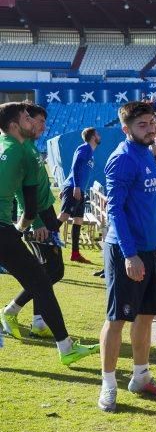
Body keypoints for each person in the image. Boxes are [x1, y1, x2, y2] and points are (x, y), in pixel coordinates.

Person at [0, 102, 99, 364]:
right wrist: (25, 227)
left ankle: (39, 325)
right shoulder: (25, 153)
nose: (35, 124)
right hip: (21, 225)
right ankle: (61, 344)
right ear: (15, 125)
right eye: (28, 118)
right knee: (45, 278)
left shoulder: (9, 145)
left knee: (46, 275)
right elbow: (29, 204)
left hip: (21, 224)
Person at [98, 102, 156, 413]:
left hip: (147, 247)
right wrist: (130, 255)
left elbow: (149, 198)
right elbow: (114, 209)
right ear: (126, 129)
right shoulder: (121, 159)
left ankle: (140, 377)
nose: (151, 128)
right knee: (117, 319)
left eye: (152, 123)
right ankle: (108, 385)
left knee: (145, 315)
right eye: (142, 125)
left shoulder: (146, 152)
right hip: (124, 250)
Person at [2, 104, 65, 339]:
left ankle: (37, 319)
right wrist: (36, 221)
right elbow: (20, 190)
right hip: (36, 215)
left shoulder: (30, 146)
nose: (42, 126)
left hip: (45, 212)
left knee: (50, 268)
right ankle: (13, 310)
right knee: (49, 269)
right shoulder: (21, 147)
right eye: (37, 120)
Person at [59, 126, 101, 263]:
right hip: (74, 187)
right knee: (64, 215)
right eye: (98, 134)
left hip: (79, 189)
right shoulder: (84, 148)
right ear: (93, 137)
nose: (100, 136)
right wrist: (75, 186)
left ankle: (75, 254)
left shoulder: (91, 152)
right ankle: (47, 236)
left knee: (78, 220)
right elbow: (75, 166)